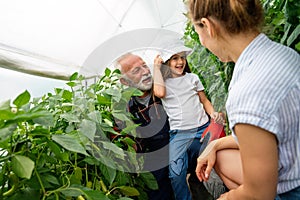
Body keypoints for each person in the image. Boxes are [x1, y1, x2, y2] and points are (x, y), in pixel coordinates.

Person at [188, 0, 300, 199]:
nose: (202, 42)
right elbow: (270, 128)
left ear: (208, 26)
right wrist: (214, 144)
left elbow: (259, 194)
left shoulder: (246, 93)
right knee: (220, 157)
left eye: (198, 33)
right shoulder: (283, 54)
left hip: (293, 189)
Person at [153, 40, 224, 200]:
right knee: (176, 174)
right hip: (180, 134)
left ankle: (231, 193)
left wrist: (212, 114)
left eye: (182, 57)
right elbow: (159, 93)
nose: (180, 62)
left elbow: (204, 101)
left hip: (202, 129)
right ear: (166, 62)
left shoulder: (193, 78)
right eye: (174, 58)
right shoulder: (163, 83)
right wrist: (156, 68)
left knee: (219, 161)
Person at [114, 53, 174, 200]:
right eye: (136, 70)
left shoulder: (163, 87)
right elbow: (124, 140)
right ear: (125, 81)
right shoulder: (123, 108)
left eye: (145, 66)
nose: (146, 72)